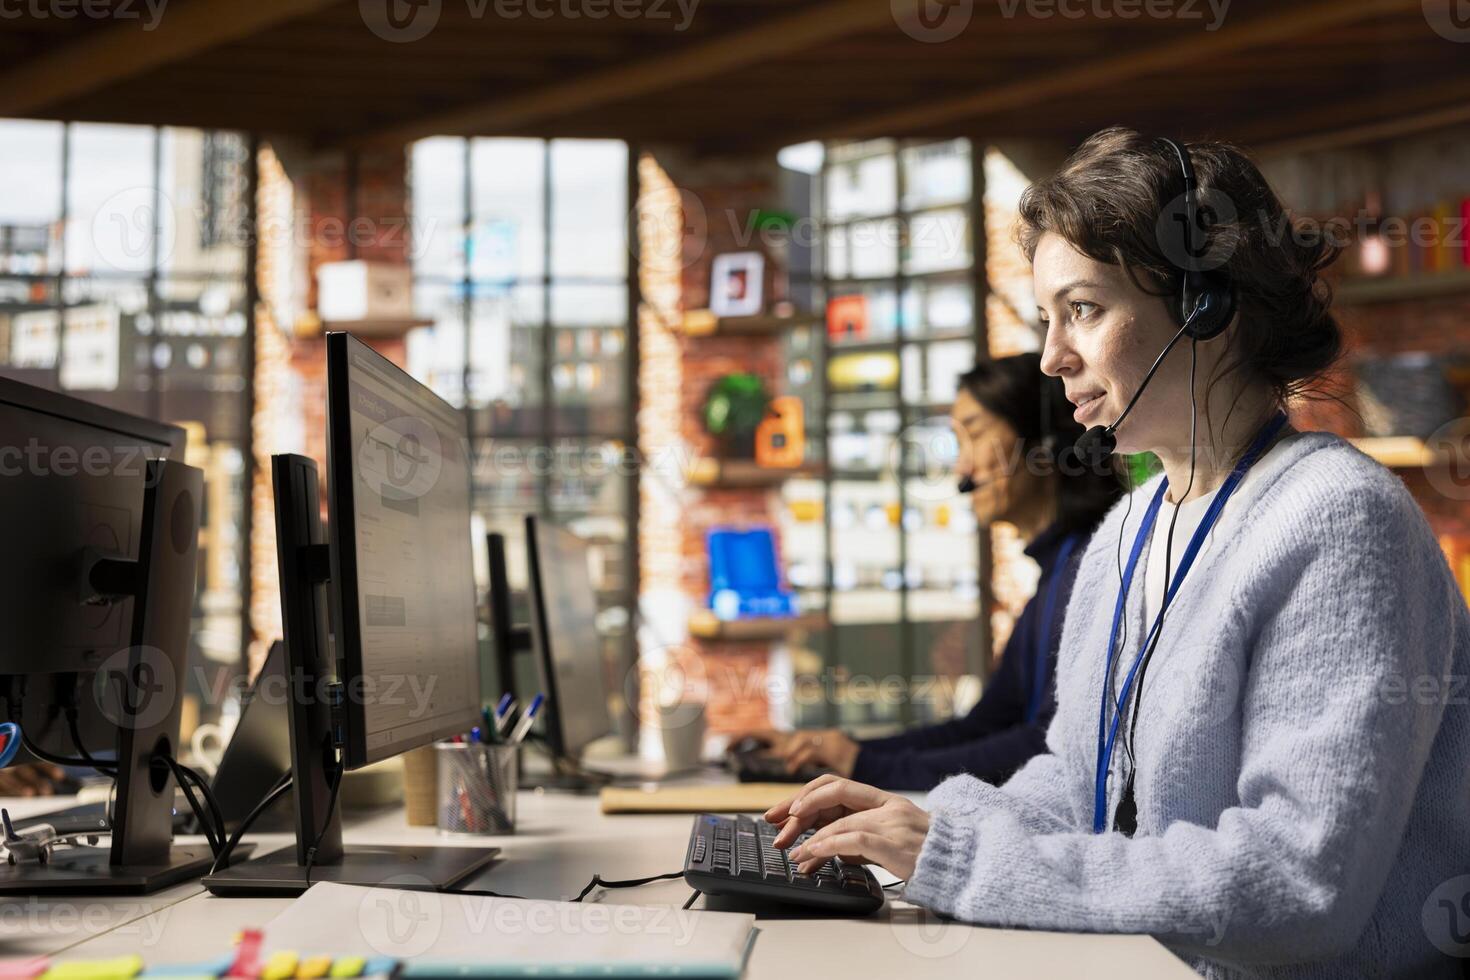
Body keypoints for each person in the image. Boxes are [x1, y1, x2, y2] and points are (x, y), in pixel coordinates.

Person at [763, 128, 1470, 976]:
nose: (1055, 358)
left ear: (1207, 308)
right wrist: (923, 825)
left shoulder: (1339, 521)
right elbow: (1076, 784)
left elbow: (1295, 885)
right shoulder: (1130, 528)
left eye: (1084, 311)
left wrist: (960, 861)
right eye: (1047, 319)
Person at [747, 353, 1120, 790]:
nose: (961, 471)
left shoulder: (1091, 570)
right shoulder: (1058, 574)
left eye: (974, 434)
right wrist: (845, 753)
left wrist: (866, 767)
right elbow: (983, 727)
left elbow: (1046, 747)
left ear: (1045, 440)